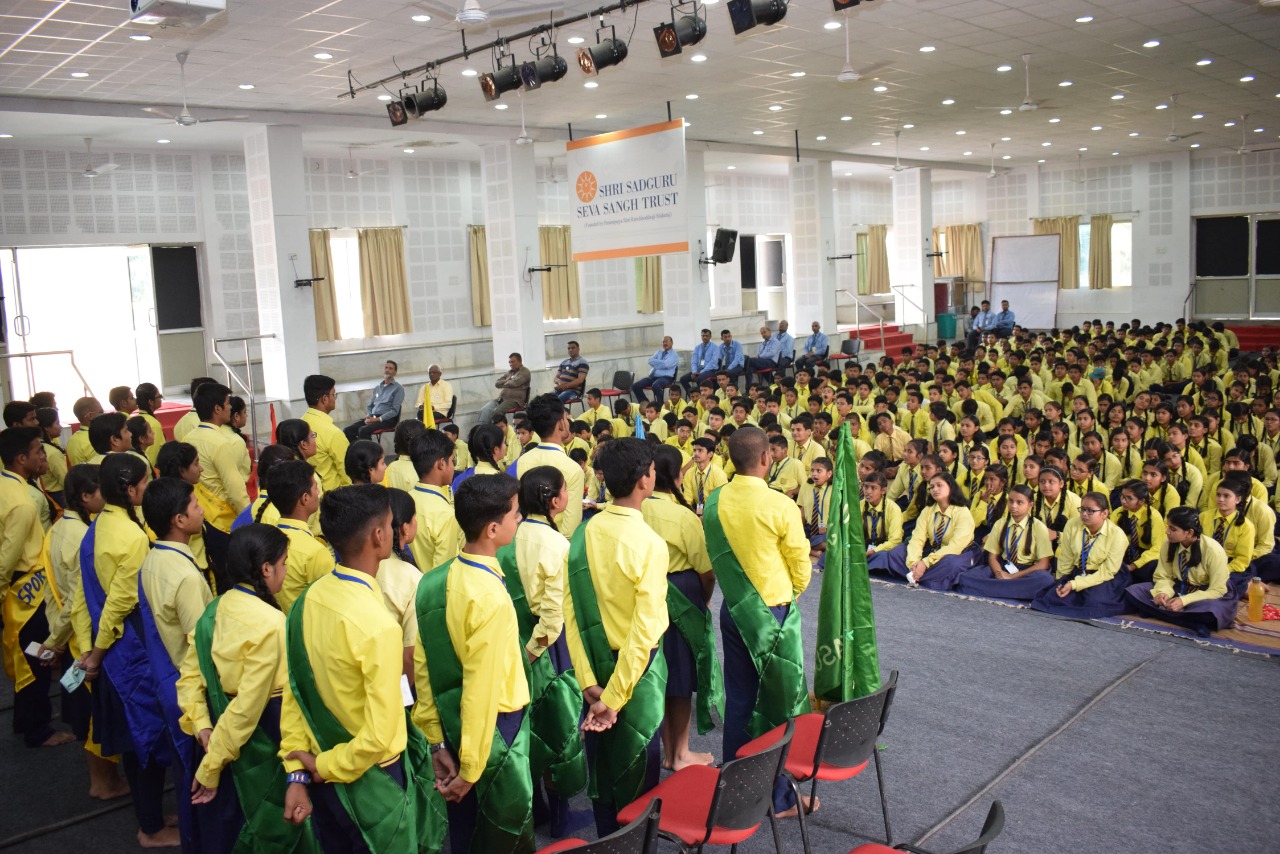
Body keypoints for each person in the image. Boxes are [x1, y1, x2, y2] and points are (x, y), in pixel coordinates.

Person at [280, 484, 445, 854]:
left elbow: (295, 692)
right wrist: (324, 765)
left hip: (322, 774)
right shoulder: (377, 626)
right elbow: (380, 735)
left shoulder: (306, 602)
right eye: (390, 523)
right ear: (378, 535)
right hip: (372, 778)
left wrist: (297, 769)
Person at [176, 523, 319, 853]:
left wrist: (203, 727)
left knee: (230, 826)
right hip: (264, 739)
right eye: (284, 563)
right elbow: (247, 708)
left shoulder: (214, 610)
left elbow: (188, 680)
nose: (285, 570)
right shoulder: (272, 625)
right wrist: (211, 765)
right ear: (266, 569)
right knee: (273, 828)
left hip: (219, 735)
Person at [414, 474, 535, 854]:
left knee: (465, 829)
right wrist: (470, 767)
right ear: (493, 527)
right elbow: (482, 688)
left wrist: (436, 740)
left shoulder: (434, 581)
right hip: (494, 725)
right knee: (504, 825)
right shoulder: (491, 598)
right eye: (516, 514)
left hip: (452, 721)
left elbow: (424, 666)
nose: (520, 519)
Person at [561, 438, 668, 836]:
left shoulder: (583, 534)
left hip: (593, 668)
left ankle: (608, 840)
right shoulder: (649, 544)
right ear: (644, 480)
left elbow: (570, 615)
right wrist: (613, 699)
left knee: (602, 767)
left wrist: (589, 683)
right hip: (634, 674)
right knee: (638, 768)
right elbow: (645, 632)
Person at [703, 425, 811, 817]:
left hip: (733, 608)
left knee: (741, 699)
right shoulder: (779, 505)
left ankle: (734, 783)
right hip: (773, 612)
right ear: (767, 458)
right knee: (779, 705)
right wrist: (789, 593)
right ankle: (779, 797)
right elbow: (801, 565)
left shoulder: (715, 501)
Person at [75, 453, 179, 848]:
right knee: (148, 738)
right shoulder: (132, 537)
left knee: (140, 744)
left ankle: (150, 815)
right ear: (131, 488)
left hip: (114, 644)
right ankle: (150, 828)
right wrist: (97, 655)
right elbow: (120, 602)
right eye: (144, 481)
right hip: (129, 649)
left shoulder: (100, 524)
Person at [496, 465, 588, 837]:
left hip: (512, 639)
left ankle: (538, 807)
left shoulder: (508, 537)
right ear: (553, 500)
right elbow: (553, 615)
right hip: (547, 648)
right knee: (560, 725)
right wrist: (533, 653)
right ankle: (564, 815)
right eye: (566, 490)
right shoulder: (558, 545)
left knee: (526, 725)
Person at [136, 476, 213, 850]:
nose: (201, 511)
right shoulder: (185, 577)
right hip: (190, 682)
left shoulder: (154, 559)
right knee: (199, 772)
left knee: (186, 769)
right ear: (179, 520)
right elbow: (203, 647)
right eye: (196, 506)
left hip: (168, 675)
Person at [642, 445, 721, 773]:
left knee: (654, 673)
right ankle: (679, 753)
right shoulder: (683, 516)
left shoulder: (638, 509)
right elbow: (706, 570)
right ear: (678, 475)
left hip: (646, 593)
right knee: (679, 676)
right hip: (682, 594)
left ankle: (664, 750)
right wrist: (700, 601)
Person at [0, 427, 72, 749]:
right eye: (36, 452)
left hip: (17, 587)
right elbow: (6, 559)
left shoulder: (5, 486)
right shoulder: (22, 504)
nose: (41, 456)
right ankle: (38, 729)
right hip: (23, 591)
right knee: (38, 658)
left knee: (24, 655)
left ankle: (25, 718)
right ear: (21, 459)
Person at [1123, 507, 1235, 637]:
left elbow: (1217, 590)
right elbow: (1163, 575)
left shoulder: (1213, 550)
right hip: (1178, 587)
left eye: (1173, 529)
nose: (1167, 532)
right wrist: (1163, 592)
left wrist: (1184, 600)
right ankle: (1190, 623)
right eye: (1168, 527)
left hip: (1205, 594)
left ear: (1189, 532)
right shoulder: (1168, 544)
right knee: (1132, 592)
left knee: (1212, 611)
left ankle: (1162, 613)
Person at [184, 381, 250, 578]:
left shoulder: (189, 437)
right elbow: (235, 489)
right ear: (217, 408)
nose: (230, 407)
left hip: (200, 514)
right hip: (223, 520)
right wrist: (250, 519)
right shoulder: (221, 443)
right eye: (227, 403)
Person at [868, 472, 976, 590]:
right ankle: (919, 574)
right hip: (931, 549)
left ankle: (918, 576)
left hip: (956, 553)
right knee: (896, 553)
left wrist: (925, 563)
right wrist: (913, 563)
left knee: (951, 564)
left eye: (939, 485)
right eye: (932, 487)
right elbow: (917, 539)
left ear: (950, 487)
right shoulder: (928, 510)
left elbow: (956, 546)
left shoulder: (962, 512)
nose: (935, 489)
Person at [1030, 491, 1131, 618]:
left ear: (1104, 513)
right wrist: (1061, 580)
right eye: (1082, 509)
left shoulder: (1117, 535)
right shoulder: (1072, 524)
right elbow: (1066, 557)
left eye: (1090, 511)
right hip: (1079, 571)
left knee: (1093, 602)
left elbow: (1108, 572)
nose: (1084, 514)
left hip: (1105, 576)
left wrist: (1074, 584)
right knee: (1054, 597)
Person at [956, 484, 1056, 599]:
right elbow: (992, 557)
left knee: (1045, 580)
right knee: (966, 577)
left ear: (1030, 505)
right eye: (1011, 501)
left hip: (1027, 571)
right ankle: (1014, 591)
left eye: (1019, 503)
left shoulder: (1039, 527)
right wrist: (999, 573)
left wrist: (1013, 577)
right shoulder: (1000, 523)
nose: (1013, 506)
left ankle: (994, 589)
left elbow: (1043, 564)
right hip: (1003, 566)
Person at [268, 460, 335, 613]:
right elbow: (329, 604)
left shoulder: (268, 538)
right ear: (305, 498)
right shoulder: (314, 552)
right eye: (316, 488)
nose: (318, 493)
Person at [516, 394, 586, 538]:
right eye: (566, 418)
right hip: (559, 545)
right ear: (561, 423)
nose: (568, 422)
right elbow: (570, 529)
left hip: (529, 536)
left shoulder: (524, 460)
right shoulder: (572, 469)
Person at [409, 429, 464, 570]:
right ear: (441, 464)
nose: (453, 467)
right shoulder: (445, 514)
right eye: (452, 461)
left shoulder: (408, 497)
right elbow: (442, 573)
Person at [301, 374, 351, 494]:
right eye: (333, 394)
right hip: (334, 495)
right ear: (324, 399)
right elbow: (347, 472)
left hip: (308, 494)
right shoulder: (333, 433)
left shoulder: (300, 424)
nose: (335, 398)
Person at [344, 360, 404, 441]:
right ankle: (357, 451)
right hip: (373, 418)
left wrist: (377, 419)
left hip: (387, 420)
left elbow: (394, 411)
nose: (387, 370)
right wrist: (369, 415)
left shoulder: (398, 388)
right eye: (386, 367)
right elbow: (370, 405)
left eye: (390, 368)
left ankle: (369, 453)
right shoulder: (377, 388)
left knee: (363, 430)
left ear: (395, 373)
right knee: (347, 430)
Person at [477, 353, 533, 425]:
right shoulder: (510, 372)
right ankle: (484, 429)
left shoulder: (525, 372)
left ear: (520, 361)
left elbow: (514, 383)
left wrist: (506, 382)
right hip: (501, 399)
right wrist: (509, 380)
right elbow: (497, 383)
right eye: (509, 362)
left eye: (513, 362)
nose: (511, 364)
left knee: (497, 412)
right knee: (484, 410)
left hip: (514, 401)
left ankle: (495, 432)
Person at [631, 336, 679, 404]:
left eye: (667, 341)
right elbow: (650, 361)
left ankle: (660, 406)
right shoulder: (658, 352)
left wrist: (656, 363)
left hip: (666, 377)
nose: (665, 343)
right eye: (663, 342)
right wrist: (661, 363)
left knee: (655, 385)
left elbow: (666, 364)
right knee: (635, 386)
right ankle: (646, 404)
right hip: (653, 377)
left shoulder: (674, 355)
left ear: (672, 343)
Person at [133, 382, 167, 467]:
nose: (161, 399)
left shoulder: (135, 419)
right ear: (150, 402)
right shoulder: (153, 424)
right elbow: (152, 456)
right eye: (159, 396)